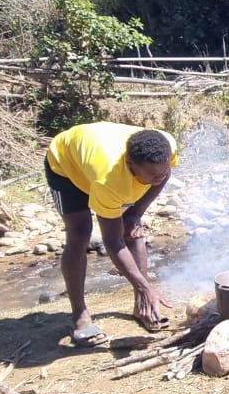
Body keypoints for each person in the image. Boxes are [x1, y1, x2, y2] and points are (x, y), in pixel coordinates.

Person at [45, 121, 178, 346]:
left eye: (163, 170)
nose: (160, 176)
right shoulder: (108, 180)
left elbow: (164, 174)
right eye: (153, 174)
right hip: (66, 167)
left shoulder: (166, 146)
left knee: (132, 226)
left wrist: (137, 213)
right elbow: (112, 241)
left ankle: (142, 305)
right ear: (130, 164)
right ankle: (80, 315)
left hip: (96, 153)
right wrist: (147, 286)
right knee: (80, 233)